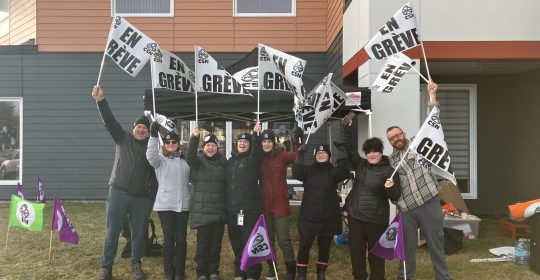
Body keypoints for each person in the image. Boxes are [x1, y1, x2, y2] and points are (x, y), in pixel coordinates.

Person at [385, 80, 452, 280]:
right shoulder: (391, 161)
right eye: (392, 138)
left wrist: (432, 95)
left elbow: (433, 120)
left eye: (398, 134)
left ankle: (443, 277)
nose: (396, 139)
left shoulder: (418, 143)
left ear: (404, 133)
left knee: (436, 243)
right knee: (406, 248)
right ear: (390, 142)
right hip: (407, 210)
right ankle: (404, 276)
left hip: (429, 202)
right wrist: (389, 188)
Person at [91, 85, 156, 280]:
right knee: (112, 232)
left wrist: (150, 198)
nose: (141, 129)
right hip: (118, 192)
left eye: (145, 128)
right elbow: (109, 121)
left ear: (148, 131)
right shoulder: (122, 138)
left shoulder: (152, 147)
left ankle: (136, 264)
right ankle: (106, 267)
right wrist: (101, 100)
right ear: (133, 128)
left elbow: (158, 172)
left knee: (138, 234)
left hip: (141, 198)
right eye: (139, 126)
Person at [341, 117, 401, 280]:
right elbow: (350, 150)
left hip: (376, 220)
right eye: (368, 151)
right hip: (356, 217)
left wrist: (390, 188)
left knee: (375, 255)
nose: (372, 154)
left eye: (375, 151)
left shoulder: (390, 171)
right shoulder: (361, 165)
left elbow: (395, 197)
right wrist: (348, 129)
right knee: (356, 253)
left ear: (381, 152)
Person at [292, 144, 350, 280]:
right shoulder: (308, 170)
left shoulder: (334, 171)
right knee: (304, 246)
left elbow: (345, 172)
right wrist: (300, 155)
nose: (321, 155)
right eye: (318, 153)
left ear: (329, 156)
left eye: (324, 153)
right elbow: (297, 172)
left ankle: (321, 274)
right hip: (309, 217)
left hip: (328, 218)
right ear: (314, 156)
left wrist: (343, 154)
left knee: (324, 248)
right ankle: (301, 275)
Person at [146, 122, 192, 280]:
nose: (171, 144)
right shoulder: (160, 160)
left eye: (174, 142)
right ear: (164, 144)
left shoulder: (185, 160)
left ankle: (179, 272)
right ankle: (168, 272)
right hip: (166, 205)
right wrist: (153, 135)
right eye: (168, 142)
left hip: (183, 205)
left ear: (179, 144)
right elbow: (150, 156)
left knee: (181, 239)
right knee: (169, 238)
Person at [186, 128, 227, 280]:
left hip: (218, 211)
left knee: (216, 245)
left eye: (213, 145)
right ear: (204, 147)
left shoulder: (223, 162)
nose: (210, 148)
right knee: (203, 244)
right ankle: (202, 272)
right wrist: (194, 139)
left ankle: (214, 271)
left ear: (218, 147)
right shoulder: (197, 161)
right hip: (203, 211)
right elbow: (189, 157)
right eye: (207, 145)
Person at [259, 128, 300, 280]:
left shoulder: (282, 155)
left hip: (280, 205)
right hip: (265, 205)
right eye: (264, 141)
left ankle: (291, 270)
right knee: (269, 240)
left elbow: (296, 156)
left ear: (273, 142)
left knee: (283, 239)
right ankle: (272, 268)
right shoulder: (259, 157)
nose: (267, 144)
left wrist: (298, 143)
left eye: (269, 141)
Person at [226, 122, 263, 280]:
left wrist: (255, 135)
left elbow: (257, 152)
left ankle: (253, 273)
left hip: (249, 211)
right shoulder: (230, 161)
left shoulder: (253, 160)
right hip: (232, 211)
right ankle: (240, 271)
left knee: (250, 243)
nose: (242, 143)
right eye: (240, 141)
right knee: (236, 243)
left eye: (245, 142)